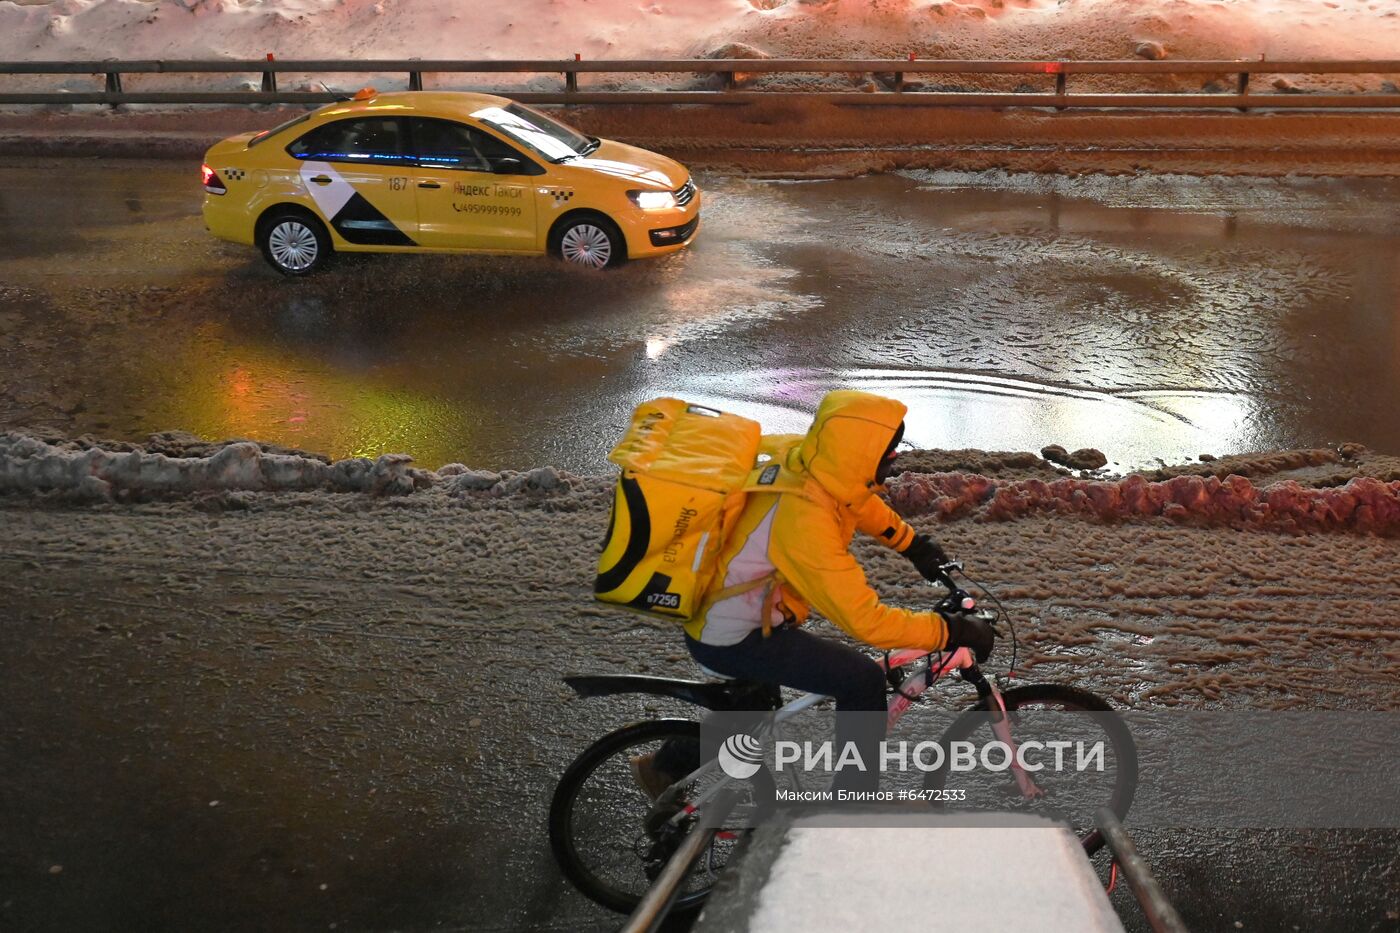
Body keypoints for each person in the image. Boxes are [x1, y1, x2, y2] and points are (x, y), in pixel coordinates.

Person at [633, 390, 995, 799]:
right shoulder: (806, 520)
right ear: (860, 453)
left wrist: (912, 544)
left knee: (753, 708)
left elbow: (856, 499)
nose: (894, 460)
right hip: (735, 633)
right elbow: (866, 620)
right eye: (889, 452)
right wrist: (949, 631)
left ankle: (663, 769)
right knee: (861, 680)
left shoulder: (806, 460)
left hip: (717, 610)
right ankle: (850, 809)